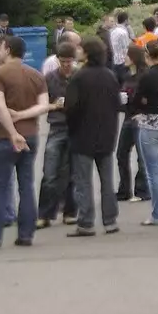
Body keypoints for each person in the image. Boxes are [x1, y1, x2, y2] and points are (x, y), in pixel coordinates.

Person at [0, 34, 50, 250]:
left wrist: (12, 130)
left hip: (6, 137)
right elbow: (44, 106)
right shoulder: (36, 75)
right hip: (32, 135)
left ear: (8, 49)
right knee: (26, 186)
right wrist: (24, 115)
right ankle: (26, 235)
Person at [64, 37, 124, 237]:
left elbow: (70, 108)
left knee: (83, 181)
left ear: (87, 53)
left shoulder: (79, 77)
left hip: (82, 134)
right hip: (106, 133)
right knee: (107, 180)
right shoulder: (110, 75)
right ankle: (110, 220)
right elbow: (116, 104)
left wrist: (71, 129)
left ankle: (86, 221)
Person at [131, 40, 158, 227]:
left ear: (146, 55)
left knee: (153, 172)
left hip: (150, 124)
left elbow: (137, 100)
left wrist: (140, 109)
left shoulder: (146, 77)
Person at [37, 43, 78, 229]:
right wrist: (54, 105)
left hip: (75, 126)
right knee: (50, 172)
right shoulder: (50, 78)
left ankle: (70, 212)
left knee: (72, 173)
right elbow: (43, 102)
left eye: (69, 62)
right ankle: (45, 214)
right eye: (63, 62)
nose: (66, 65)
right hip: (57, 125)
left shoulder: (79, 77)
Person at [115, 45, 151, 204]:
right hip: (128, 116)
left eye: (127, 56)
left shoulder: (144, 76)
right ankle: (124, 189)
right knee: (121, 153)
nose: (125, 59)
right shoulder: (127, 75)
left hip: (140, 117)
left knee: (142, 156)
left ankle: (142, 189)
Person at [108, 10, 132, 77]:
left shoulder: (113, 31)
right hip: (122, 62)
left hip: (115, 60)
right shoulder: (123, 32)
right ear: (126, 20)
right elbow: (126, 48)